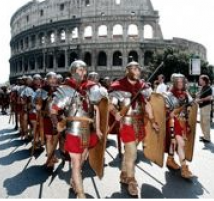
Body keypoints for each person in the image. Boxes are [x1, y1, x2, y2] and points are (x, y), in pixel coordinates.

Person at [50, 61, 106, 198]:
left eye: (85, 70)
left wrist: (98, 128)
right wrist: (56, 123)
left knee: (82, 160)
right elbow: (53, 109)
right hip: (73, 131)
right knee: (76, 162)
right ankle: (81, 194)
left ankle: (74, 180)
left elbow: (98, 109)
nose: (83, 73)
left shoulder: (91, 88)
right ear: (73, 71)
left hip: (89, 130)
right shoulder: (66, 89)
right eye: (80, 70)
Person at [109, 61, 158, 196]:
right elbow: (110, 104)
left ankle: (124, 173)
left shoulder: (141, 87)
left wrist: (153, 121)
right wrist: (116, 113)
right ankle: (131, 181)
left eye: (138, 69)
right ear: (128, 71)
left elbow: (147, 105)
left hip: (139, 124)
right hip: (127, 124)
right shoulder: (119, 86)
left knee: (131, 152)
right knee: (133, 153)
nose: (138, 72)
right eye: (135, 69)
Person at [163, 73, 196, 179]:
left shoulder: (186, 94)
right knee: (180, 143)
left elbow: (192, 104)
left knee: (175, 142)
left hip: (183, 122)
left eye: (182, 81)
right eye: (178, 81)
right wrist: (170, 112)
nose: (180, 83)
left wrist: (192, 104)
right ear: (174, 82)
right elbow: (166, 111)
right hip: (173, 122)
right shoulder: (168, 95)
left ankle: (170, 159)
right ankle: (184, 168)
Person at [196, 75, 212, 142]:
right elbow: (199, 96)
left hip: (206, 107)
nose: (199, 80)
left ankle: (207, 138)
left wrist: (200, 99)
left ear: (204, 80)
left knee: (206, 123)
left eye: (200, 79)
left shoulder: (208, 88)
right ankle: (205, 135)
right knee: (202, 123)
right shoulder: (202, 87)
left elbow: (209, 97)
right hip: (202, 107)